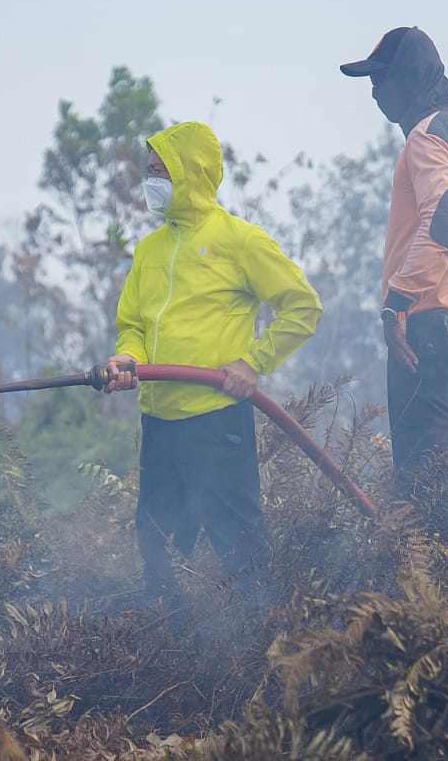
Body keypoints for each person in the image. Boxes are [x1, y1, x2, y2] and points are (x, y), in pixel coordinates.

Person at [101, 120, 322, 607]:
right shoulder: (149, 250)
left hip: (217, 423)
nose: (151, 180)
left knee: (239, 547)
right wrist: (127, 358)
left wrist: (253, 361)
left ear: (192, 175)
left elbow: (303, 307)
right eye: (150, 170)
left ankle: (260, 645)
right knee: (157, 548)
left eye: (163, 170)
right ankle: (170, 650)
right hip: (159, 425)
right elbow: (134, 325)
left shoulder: (240, 241)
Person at [340, 26, 448, 599]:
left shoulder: (427, 137)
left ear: (408, 81)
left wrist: (396, 303)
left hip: (426, 336)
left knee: (422, 491)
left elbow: (446, 216)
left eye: (380, 79)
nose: (375, 93)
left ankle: (431, 618)